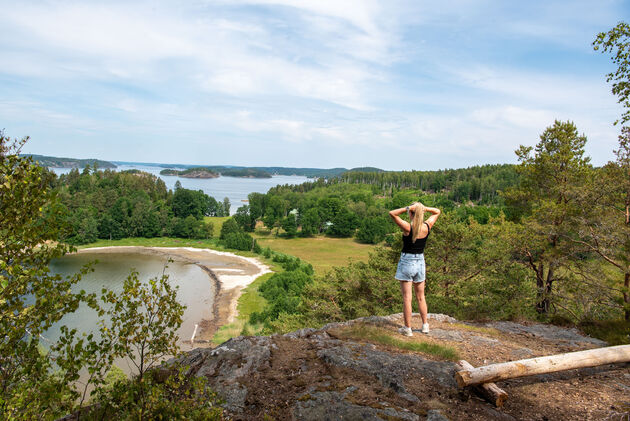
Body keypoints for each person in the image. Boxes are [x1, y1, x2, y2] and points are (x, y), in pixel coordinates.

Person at [389, 202, 441, 336]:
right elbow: (437, 211)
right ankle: (425, 326)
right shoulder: (427, 226)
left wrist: (408, 208)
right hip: (420, 262)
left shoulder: (408, 228)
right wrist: (424, 208)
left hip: (407, 261)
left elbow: (392, 213)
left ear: (411, 213)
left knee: (407, 298)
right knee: (421, 297)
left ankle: (408, 329)